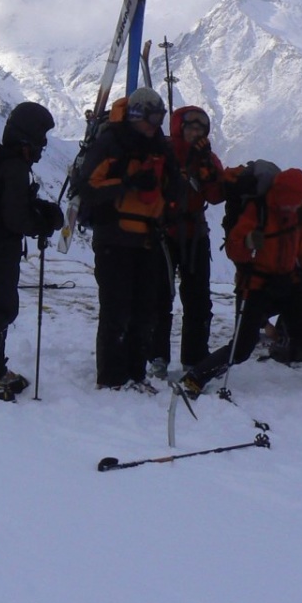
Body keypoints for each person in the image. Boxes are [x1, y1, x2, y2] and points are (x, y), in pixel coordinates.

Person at [178, 166, 302, 394]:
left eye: (299, 199)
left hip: (288, 281)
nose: (296, 203)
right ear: (283, 194)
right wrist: (247, 243)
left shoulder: (300, 211)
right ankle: (197, 376)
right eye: (294, 199)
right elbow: (233, 249)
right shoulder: (258, 209)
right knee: (241, 347)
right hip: (256, 285)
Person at [78, 86, 180, 392]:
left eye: (159, 119)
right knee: (116, 309)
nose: (154, 125)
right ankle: (111, 379)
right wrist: (128, 183)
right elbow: (88, 187)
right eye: (151, 118)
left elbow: (171, 187)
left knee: (144, 310)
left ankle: (136, 374)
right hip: (114, 239)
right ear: (136, 115)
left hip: (148, 239)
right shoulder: (112, 142)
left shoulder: (160, 147)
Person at [0, 101, 64, 398]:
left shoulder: (4, 160)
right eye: (41, 137)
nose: (43, 145)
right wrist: (42, 221)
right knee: (1, 309)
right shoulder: (13, 167)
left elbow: (7, 206)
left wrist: (39, 210)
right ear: (28, 137)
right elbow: (15, 217)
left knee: (1, 307)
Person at [154, 105, 226, 375]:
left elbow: (217, 195)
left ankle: (194, 358)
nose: (196, 132)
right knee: (160, 298)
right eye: (191, 127)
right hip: (165, 234)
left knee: (198, 300)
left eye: (200, 128)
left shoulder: (205, 157)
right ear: (178, 127)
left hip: (193, 234)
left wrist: (206, 164)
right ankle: (157, 357)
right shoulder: (163, 154)